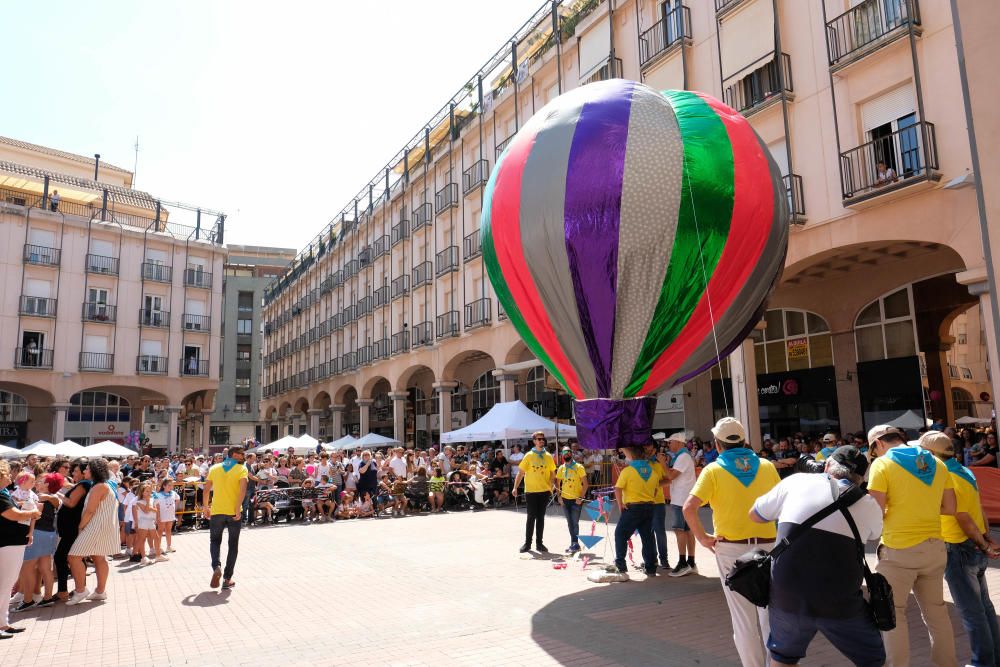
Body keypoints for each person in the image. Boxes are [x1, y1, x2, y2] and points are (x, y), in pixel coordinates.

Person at [749, 446, 885, 666]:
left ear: (828, 464)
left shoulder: (797, 482)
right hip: (840, 600)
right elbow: (874, 534)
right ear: (861, 478)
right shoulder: (868, 504)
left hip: (787, 593)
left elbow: (755, 515)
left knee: (782, 657)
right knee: (874, 660)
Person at [683, 417, 781, 667]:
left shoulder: (713, 470)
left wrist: (703, 539)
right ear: (744, 440)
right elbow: (783, 503)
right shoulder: (767, 466)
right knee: (771, 613)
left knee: (743, 620)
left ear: (717, 444)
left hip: (730, 549)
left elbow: (689, 508)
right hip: (769, 545)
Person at [866, 424, 958, 667]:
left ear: (878, 444)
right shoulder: (936, 463)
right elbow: (950, 507)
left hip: (898, 550)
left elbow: (874, 511)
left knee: (893, 615)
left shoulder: (882, 464)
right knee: (937, 614)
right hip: (935, 547)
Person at [921, 430, 1000, 666]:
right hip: (971, 547)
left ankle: (983, 662)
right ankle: (993, 658)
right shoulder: (964, 470)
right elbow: (978, 509)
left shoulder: (946, 477)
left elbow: (963, 517)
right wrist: (986, 540)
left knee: (972, 612)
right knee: (983, 607)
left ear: (931, 454)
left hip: (958, 549)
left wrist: (984, 542)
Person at [67, 458, 120, 605]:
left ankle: (80, 590)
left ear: (94, 471)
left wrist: (81, 526)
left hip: (95, 526)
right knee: (99, 557)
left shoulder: (99, 487)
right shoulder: (105, 485)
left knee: (73, 557)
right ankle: (100, 591)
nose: (84, 471)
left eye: (87, 469)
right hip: (103, 526)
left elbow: (90, 510)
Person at [0, 459, 42, 638]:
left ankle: (3, 623)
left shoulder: (4, 493)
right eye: (7, 474)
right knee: (4, 584)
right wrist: (32, 513)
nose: (10, 476)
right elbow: (12, 514)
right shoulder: (2, 495)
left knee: (6, 584)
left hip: (12, 543)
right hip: (8, 543)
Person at [610, 446, 664, 576]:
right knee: (648, 538)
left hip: (633, 508)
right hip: (649, 507)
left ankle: (621, 565)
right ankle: (651, 568)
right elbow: (656, 490)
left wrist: (620, 505)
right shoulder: (653, 471)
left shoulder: (628, 471)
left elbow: (618, 489)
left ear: (631, 456)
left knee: (621, 534)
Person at [203, 445, 248, 590]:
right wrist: (237, 508)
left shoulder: (215, 468)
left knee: (215, 541)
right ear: (234, 454)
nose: (243, 456)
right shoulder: (241, 469)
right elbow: (243, 490)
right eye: (241, 454)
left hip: (217, 511)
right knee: (233, 545)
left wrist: (205, 506)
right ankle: (227, 579)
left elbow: (206, 488)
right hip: (233, 512)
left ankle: (216, 566)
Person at [513, 431, 556, 553]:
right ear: (534, 441)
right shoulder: (529, 455)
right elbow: (520, 472)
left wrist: (552, 484)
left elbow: (553, 472)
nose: (542, 440)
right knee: (531, 517)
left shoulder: (548, 456)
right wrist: (515, 487)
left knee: (541, 518)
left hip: (544, 491)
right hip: (531, 491)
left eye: (543, 438)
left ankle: (539, 544)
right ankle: (527, 544)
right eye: (539, 439)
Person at [662, 432, 697, 577]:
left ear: (679, 443)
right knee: (688, 531)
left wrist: (662, 463)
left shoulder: (682, 457)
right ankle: (691, 562)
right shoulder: (683, 456)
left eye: (671, 442)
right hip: (684, 498)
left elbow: (671, 476)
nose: (668, 444)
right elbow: (672, 479)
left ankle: (683, 562)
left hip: (680, 500)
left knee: (679, 530)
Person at [555, 447, 588, 555]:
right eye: (564, 453)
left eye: (568, 452)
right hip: (565, 500)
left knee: (575, 523)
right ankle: (574, 544)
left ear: (571, 454)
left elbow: (586, 484)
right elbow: (557, 483)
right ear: (562, 455)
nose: (566, 454)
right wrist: (559, 497)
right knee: (570, 523)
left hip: (576, 500)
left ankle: (575, 543)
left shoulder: (579, 467)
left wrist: (581, 498)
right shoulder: (561, 468)